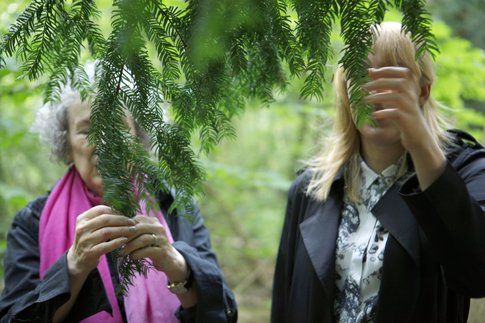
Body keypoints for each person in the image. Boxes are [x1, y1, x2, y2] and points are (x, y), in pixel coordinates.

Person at [271, 21, 485, 323]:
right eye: (362, 76)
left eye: (393, 77)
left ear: (423, 91)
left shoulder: (464, 172)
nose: (376, 92)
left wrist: (421, 143)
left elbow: (477, 273)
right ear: (346, 92)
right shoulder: (312, 188)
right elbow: (284, 306)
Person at [0, 66, 237, 323]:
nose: (106, 141)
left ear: (139, 138)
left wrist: (176, 264)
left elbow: (223, 314)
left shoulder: (175, 207)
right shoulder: (32, 221)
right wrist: (75, 265)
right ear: (66, 146)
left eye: (119, 127)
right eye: (87, 130)